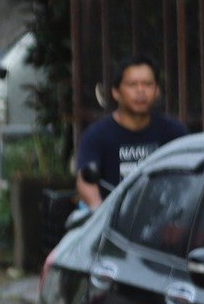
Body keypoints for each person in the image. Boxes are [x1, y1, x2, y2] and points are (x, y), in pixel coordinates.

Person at [74, 56, 186, 208]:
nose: (141, 90)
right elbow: (86, 181)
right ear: (116, 92)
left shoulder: (175, 132)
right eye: (132, 84)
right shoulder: (96, 135)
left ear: (157, 91)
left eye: (147, 84)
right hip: (113, 219)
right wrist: (98, 210)